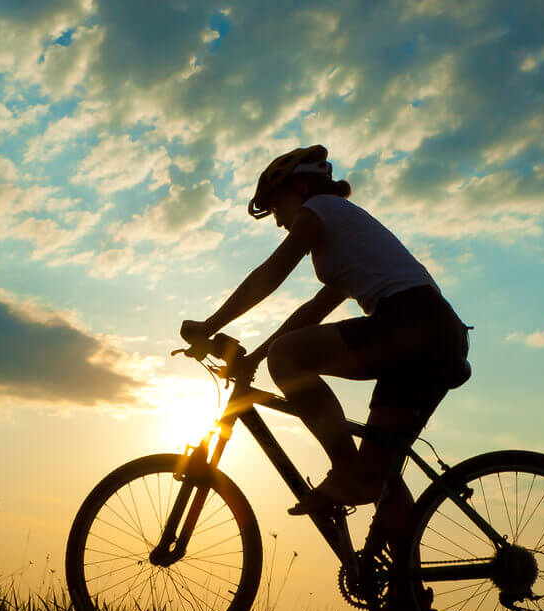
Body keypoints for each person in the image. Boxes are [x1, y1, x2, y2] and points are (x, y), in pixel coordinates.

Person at [180, 144, 471, 552]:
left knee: (289, 358)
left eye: (276, 206)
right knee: (377, 474)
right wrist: (256, 358)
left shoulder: (320, 209)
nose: (278, 220)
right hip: (437, 335)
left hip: (410, 324)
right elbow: (312, 312)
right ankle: (406, 585)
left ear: (300, 188)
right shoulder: (343, 233)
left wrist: (210, 326)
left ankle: (345, 472)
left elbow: (272, 273)